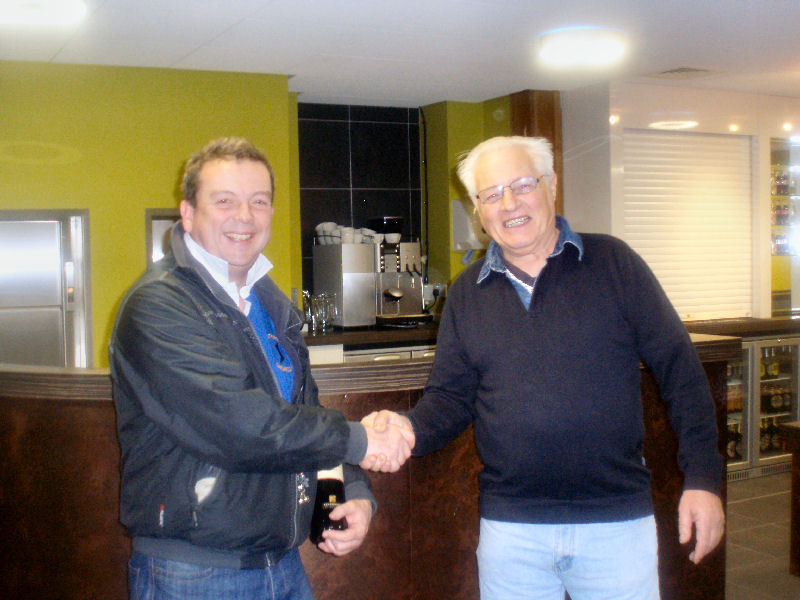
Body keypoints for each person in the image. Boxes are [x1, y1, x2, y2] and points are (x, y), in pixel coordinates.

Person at [364, 135, 725, 600]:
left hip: (615, 525)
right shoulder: (467, 293)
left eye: (521, 185)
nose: (508, 203)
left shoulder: (614, 264)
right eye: (491, 194)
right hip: (512, 532)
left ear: (551, 185)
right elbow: (451, 399)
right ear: (478, 209)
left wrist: (702, 479)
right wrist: (405, 430)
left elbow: (682, 372)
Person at [109, 137, 412, 600]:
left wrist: (353, 489)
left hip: (281, 566)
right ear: (188, 213)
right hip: (194, 573)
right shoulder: (158, 305)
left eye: (259, 202)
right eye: (224, 201)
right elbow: (240, 423)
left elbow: (304, 410)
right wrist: (361, 440)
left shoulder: (271, 304)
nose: (244, 216)